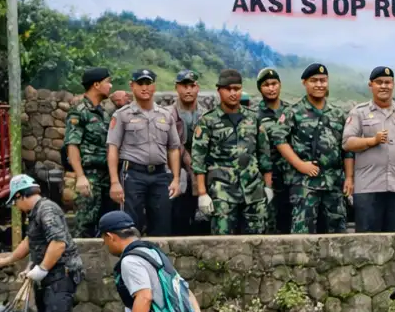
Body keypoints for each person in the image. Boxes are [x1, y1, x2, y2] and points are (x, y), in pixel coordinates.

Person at [0, 174, 84, 312]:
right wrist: (9, 260)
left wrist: (42, 268)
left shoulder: (47, 210)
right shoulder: (36, 214)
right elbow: (31, 241)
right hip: (49, 279)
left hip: (61, 277)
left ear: (20, 196)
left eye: (15, 202)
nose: (16, 207)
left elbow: (58, 243)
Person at [342, 66, 395, 233]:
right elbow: (347, 143)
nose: (384, 86)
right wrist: (373, 140)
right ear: (370, 85)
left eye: (388, 82)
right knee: (367, 241)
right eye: (379, 82)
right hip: (368, 187)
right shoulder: (359, 113)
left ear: (393, 85)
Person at [191, 69, 271, 236]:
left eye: (237, 89)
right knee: (221, 242)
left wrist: (268, 187)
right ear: (219, 90)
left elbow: (264, 154)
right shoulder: (208, 121)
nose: (233, 93)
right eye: (228, 89)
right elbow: (199, 159)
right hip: (222, 191)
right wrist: (202, 193)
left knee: (259, 241)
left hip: (253, 190)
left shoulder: (253, 119)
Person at [275, 63, 348, 235]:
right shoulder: (293, 112)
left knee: (337, 231)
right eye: (314, 80)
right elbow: (279, 140)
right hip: (304, 183)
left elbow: (346, 147)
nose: (319, 84)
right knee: (303, 232)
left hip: (333, 182)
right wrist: (300, 164)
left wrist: (349, 177)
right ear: (304, 83)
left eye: (323, 80)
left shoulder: (337, 114)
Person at [106, 69, 182, 235]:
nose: (145, 88)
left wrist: (176, 179)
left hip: (160, 175)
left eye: (148, 83)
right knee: (130, 225)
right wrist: (114, 182)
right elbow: (113, 148)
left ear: (154, 86)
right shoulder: (122, 115)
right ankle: (133, 259)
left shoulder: (166, 115)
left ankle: (157, 259)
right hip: (133, 175)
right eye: (140, 83)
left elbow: (174, 148)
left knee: (162, 224)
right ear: (132, 86)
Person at [65, 67, 113, 237]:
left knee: (106, 226)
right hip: (89, 176)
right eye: (108, 82)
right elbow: (72, 145)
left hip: (106, 177)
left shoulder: (104, 113)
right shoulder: (79, 111)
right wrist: (80, 176)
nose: (111, 86)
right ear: (96, 84)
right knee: (85, 226)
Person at [255, 67, 293, 234]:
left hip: (291, 176)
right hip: (266, 177)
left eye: (274, 83)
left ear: (280, 85)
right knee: (268, 225)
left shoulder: (292, 111)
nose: (271, 88)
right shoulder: (254, 115)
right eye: (266, 85)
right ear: (260, 88)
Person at [170, 70, 204, 236]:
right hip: (176, 172)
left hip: (202, 172)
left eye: (192, 86)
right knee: (178, 217)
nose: (188, 90)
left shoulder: (205, 115)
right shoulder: (168, 115)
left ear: (197, 88)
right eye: (184, 86)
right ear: (177, 88)